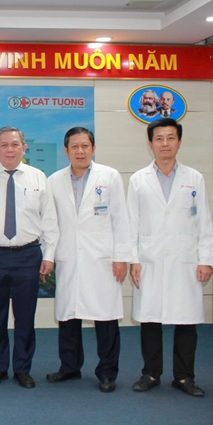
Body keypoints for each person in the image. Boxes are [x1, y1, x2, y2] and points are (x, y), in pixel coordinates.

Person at [127, 117, 213, 397]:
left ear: (179, 141)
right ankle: (150, 373)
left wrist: (206, 259)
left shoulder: (194, 178)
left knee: (186, 320)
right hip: (149, 258)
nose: (165, 143)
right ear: (150, 143)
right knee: (150, 320)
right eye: (159, 138)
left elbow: (204, 222)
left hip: (184, 259)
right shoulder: (138, 179)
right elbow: (131, 223)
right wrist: (133, 259)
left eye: (170, 138)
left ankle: (185, 377)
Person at [0, 126, 58, 389]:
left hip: (28, 255)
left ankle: (22, 369)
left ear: (23, 148)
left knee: (25, 317)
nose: (10, 149)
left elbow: (49, 219)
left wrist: (49, 255)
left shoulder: (38, 177)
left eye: (15, 144)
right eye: (4, 145)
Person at [45, 128, 131, 393]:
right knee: (68, 317)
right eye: (74, 147)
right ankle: (69, 367)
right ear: (66, 151)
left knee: (105, 317)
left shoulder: (110, 176)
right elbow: (51, 223)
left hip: (102, 259)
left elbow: (121, 219)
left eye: (85, 146)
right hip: (69, 256)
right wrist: (49, 255)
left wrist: (121, 257)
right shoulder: (54, 181)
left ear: (93, 148)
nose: (80, 151)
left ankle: (107, 372)